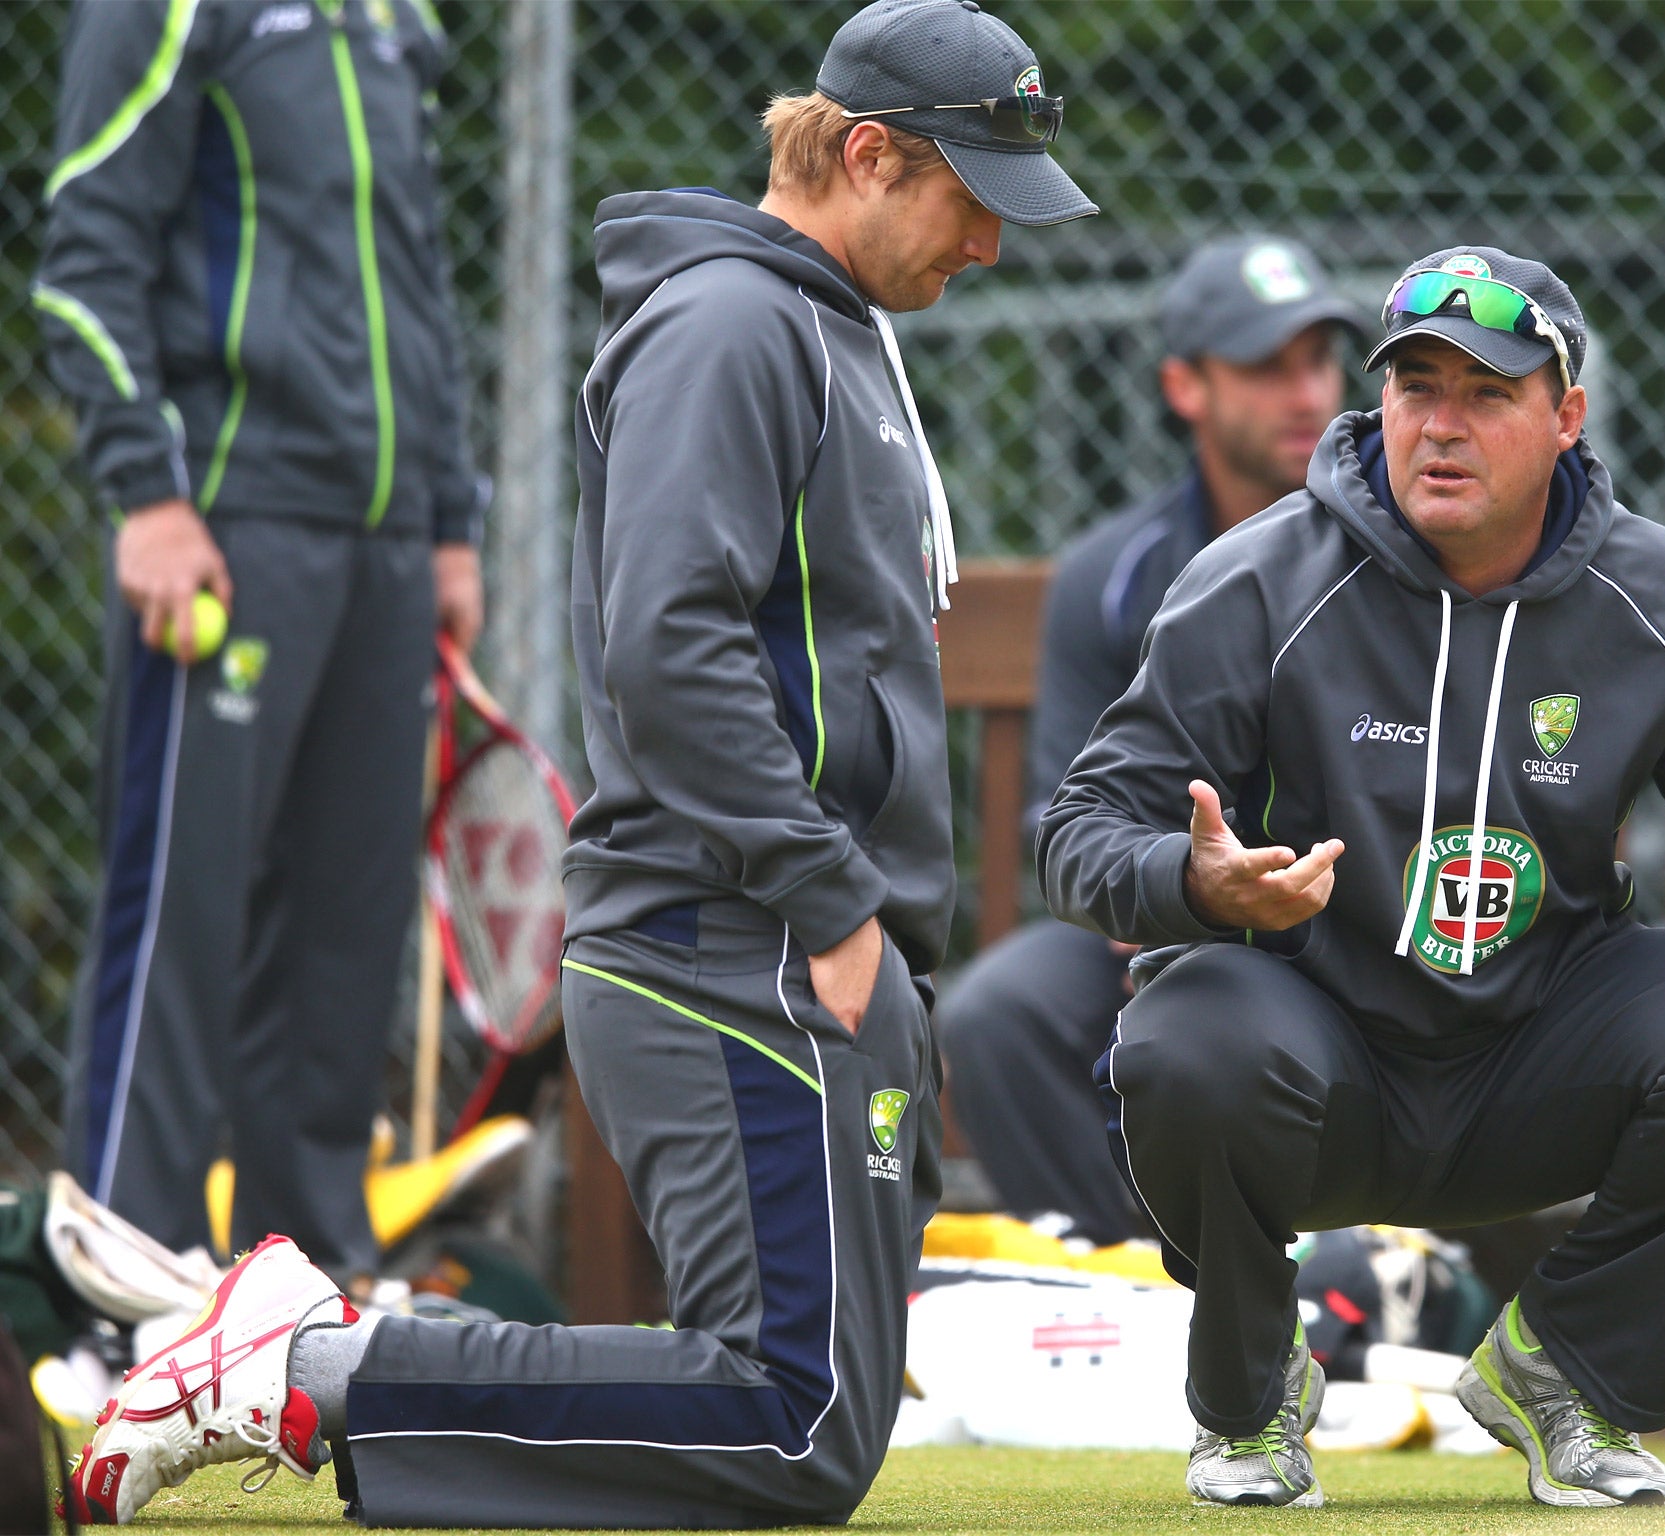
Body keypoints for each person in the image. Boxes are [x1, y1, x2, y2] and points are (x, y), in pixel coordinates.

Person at [66, 0, 1096, 1526]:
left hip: (797, 946)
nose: (990, 249)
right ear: (869, 154)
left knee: (814, 1419)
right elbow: (668, 650)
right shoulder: (731, 325)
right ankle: (315, 1364)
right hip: (731, 940)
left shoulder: (825, 323)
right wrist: (829, 899)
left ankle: (322, 1354)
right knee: (791, 1414)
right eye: (970, 204)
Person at [1039, 246, 1665, 1509]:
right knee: (1181, 1034)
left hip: (1536, 1056)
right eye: (1416, 387)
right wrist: (1197, 886)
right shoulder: (1260, 577)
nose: (1442, 424)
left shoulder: (1642, 590)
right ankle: (1252, 1399)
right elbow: (1083, 826)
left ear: (1565, 416)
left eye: (1488, 392)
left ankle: (1566, 1375)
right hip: (1316, 1058)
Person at [36, 0, 488, 1293]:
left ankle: (305, 1297)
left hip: (388, 547)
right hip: (227, 528)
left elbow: (418, 274)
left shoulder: (397, 19)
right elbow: (88, 248)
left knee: (348, 934)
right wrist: (147, 495)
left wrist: (448, 525)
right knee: (180, 915)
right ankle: (118, 1293)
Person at [938, 235, 1365, 1244]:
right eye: (1266, 367)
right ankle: (1148, 1282)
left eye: (1318, 359)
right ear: (1185, 386)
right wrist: (1168, 881)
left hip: (1363, 921)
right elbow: (1064, 812)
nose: (1304, 392)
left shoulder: (1404, 547)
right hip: (1173, 915)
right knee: (997, 1013)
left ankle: (1350, 1285)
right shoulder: (1113, 576)